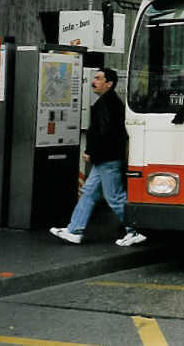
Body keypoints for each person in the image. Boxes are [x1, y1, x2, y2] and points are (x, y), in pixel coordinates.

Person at [50, 68, 147, 246]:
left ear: (108, 84)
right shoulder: (110, 102)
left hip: (107, 159)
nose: (94, 81)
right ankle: (74, 230)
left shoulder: (106, 104)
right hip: (106, 159)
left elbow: (103, 133)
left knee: (114, 197)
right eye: (94, 78)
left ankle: (135, 230)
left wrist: (91, 151)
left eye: (98, 78)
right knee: (88, 193)